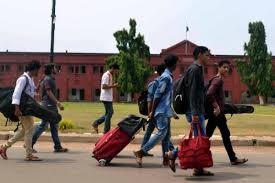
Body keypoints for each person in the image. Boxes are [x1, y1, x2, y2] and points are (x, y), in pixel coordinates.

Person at [168, 46, 214, 176]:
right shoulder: (194, 70)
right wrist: (194, 113)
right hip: (194, 111)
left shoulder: (197, 69)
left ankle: (198, 168)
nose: (208, 57)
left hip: (198, 110)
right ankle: (173, 154)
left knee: (199, 139)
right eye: (207, 55)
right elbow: (192, 93)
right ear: (200, 55)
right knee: (199, 139)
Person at [134, 54, 178, 167]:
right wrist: (152, 111)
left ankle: (165, 159)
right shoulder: (166, 77)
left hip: (166, 110)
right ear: (173, 64)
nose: (177, 65)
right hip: (161, 111)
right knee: (162, 133)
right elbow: (157, 95)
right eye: (176, 63)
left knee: (166, 137)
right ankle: (141, 152)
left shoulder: (168, 76)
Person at [206, 60, 248, 165]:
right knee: (208, 136)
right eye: (224, 67)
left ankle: (233, 158)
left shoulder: (215, 79)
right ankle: (183, 153)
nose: (226, 69)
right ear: (219, 68)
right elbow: (209, 93)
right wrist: (217, 107)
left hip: (217, 114)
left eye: (228, 68)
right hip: (217, 114)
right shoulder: (218, 80)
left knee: (222, 135)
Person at [0, 60, 42, 161]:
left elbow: (31, 93)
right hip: (22, 109)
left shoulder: (30, 79)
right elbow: (16, 94)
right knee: (29, 130)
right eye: (38, 70)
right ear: (35, 69)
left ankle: (4, 147)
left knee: (25, 130)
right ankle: (29, 154)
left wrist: (39, 85)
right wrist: (17, 109)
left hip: (28, 109)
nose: (38, 72)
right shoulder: (23, 79)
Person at [31, 63, 68, 153]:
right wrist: (58, 103)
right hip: (48, 106)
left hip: (49, 105)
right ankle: (30, 143)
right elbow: (48, 92)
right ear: (52, 69)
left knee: (53, 126)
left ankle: (57, 146)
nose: (56, 69)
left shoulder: (47, 78)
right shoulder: (48, 79)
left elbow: (38, 88)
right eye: (55, 67)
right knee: (43, 125)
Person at [92, 63, 119, 134]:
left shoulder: (110, 75)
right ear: (113, 68)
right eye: (116, 70)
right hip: (105, 97)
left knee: (109, 113)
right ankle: (106, 131)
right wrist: (113, 86)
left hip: (108, 97)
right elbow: (104, 86)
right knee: (109, 113)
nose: (116, 72)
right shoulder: (106, 75)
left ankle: (96, 123)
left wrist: (112, 86)